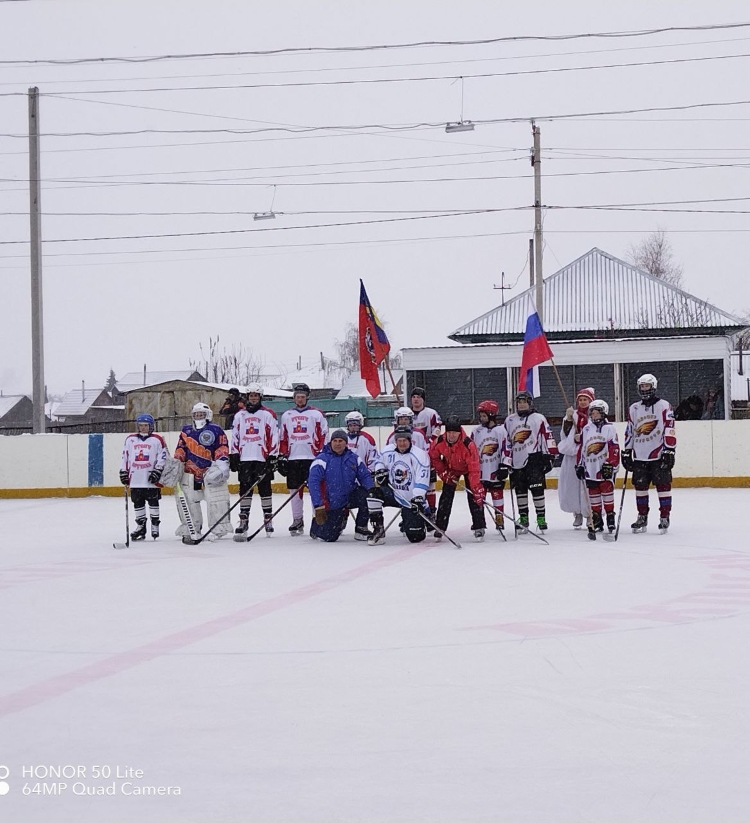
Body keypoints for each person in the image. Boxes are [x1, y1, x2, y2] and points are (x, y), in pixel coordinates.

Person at [622, 374, 677, 534]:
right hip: (640, 455)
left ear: (653, 387)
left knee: (663, 486)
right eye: (642, 386)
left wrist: (669, 449)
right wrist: (627, 451)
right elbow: (630, 430)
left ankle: (664, 516)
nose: (644, 389)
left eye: (647, 386)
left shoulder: (664, 406)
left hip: (658, 454)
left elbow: (669, 428)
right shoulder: (634, 408)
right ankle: (642, 516)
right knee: (640, 487)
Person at [173, 402, 232, 543]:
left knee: (216, 500)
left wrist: (222, 464)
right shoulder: (186, 431)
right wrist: (176, 464)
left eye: (201, 414)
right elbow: (180, 449)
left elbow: (222, 447)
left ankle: (218, 529)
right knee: (189, 502)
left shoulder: (216, 429)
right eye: (196, 414)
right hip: (190, 473)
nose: (198, 416)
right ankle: (191, 527)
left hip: (210, 471)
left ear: (208, 415)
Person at [503, 390, 558, 531]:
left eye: (524, 402)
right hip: (516, 460)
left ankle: (541, 518)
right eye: (519, 402)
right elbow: (506, 442)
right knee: (520, 491)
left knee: (537, 489)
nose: (521, 405)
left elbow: (547, 436)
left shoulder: (538, 418)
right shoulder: (509, 420)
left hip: (534, 458)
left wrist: (550, 455)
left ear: (530, 403)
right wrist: (505, 460)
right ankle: (523, 518)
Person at [366, 425, 431, 546]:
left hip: (411, 499)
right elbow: (379, 461)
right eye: (399, 441)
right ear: (395, 441)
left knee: (415, 537)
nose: (402, 444)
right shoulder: (388, 451)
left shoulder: (420, 455)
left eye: (404, 440)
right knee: (373, 494)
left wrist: (418, 497)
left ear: (410, 440)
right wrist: (380, 471)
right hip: (393, 493)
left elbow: (423, 479)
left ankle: (425, 512)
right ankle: (378, 530)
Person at [308, 430, 377, 542]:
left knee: (367, 496)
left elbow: (365, 476)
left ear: (346, 443)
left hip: (349, 496)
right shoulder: (321, 459)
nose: (337, 444)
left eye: (340, 441)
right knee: (329, 537)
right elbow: (313, 482)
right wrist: (318, 505)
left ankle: (361, 528)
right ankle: (317, 527)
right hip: (331, 502)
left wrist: (372, 491)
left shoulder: (353, 458)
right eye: (335, 441)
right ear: (331, 442)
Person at [278, 382, 328, 536]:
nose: (300, 399)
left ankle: (317, 520)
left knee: (316, 491)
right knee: (294, 491)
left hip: (312, 458)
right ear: (294, 398)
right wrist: (282, 455)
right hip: (293, 458)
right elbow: (283, 438)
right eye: (298, 397)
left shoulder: (316, 414)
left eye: (303, 397)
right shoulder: (287, 415)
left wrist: (322, 454)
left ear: (307, 397)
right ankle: (297, 519)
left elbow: (324, 435)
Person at [230, 383, 278, 536]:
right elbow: (235, 435)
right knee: (245, 489)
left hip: (262, 458)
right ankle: (244, 520)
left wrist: (273, 456)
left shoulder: (268, 414)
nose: (253, 398)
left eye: (256, 396)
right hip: (245, 458)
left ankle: (268, 519)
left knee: (265, 489)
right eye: (251, 396)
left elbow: (274, 435)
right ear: (247, 397)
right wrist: (234, 454)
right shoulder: (240, 415)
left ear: (260, 397)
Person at [431, 415, 486, 541]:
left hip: (468, 470)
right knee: (446, 498)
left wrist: (476, 487)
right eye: (449, 432)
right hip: (450, 469)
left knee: (474, 496)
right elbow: (433, 456)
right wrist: (443, 472)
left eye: (454, 433)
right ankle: (440, 527)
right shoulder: (440, 441)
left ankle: (479, 526)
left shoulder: (468, 445)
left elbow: (474, 468)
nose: (451, 435)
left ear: (459, 432)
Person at [575, 399, 620, 540]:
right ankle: (597, 520)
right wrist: (580, 465)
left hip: (604, 467)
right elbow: (582, 449)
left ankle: (610, 517)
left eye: (597, 413)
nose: (594, 416)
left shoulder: (609, 428)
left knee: (607, 492)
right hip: (590, 467)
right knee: (593, 494)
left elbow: (614, 447)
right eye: (592, 413)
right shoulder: (586, 429)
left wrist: (611, 463)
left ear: (603, 413)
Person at [119, 413, 167, 540]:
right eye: (141, 425)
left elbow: (162, 457)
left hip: (151, 478)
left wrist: (158, 470)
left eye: (146, 425)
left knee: (153, 502)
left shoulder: (157, 439)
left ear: (151, 426)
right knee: (137, 503)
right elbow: (125, 457)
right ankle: (141, 526)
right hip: (135, 478)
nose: (143, 428)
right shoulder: (130, 439)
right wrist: (123, 471)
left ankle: (155, 524)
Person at [558, 388, 596, 529]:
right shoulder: (572, 415)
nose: (583, 402)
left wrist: (584, 438)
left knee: (588, 486)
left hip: (589, 456)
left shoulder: (595, 415)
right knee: (573, 486)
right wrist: (568, 421)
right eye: (580, 400)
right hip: (573, 455)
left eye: (585, 399)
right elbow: (565, 434)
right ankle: (577, 512)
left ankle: (590, 514)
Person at [471, 399, 509, 532]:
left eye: (484, 415)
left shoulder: (500, 430)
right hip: (480, 472)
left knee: (497, 495)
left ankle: (499, 519)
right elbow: (471, 450)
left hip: (495, 470)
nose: (481, 418)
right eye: (480, 415)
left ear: (492, 415)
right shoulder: (476, 431)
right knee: (479, 498)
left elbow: (506, 448)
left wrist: (505, 465)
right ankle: (480, 523)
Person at [409, 387, 442, 512]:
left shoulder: (431, 413)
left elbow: (437, 429)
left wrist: (429, 443)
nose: (416, 399)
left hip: (427, 454)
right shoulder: (406, 414)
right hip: (410, 455)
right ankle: (412, 512)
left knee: (429, 485)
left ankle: (431, 511)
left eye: (418, 397)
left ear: (423, 399)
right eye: (413, 397)